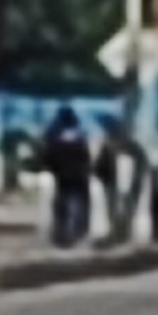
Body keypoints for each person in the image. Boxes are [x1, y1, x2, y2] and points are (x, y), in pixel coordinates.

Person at [40, 104, 96, 254]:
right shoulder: (80, 134)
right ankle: (80, 230)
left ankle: (61, 233)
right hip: (80, 175)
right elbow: (86, 157)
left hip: (62, 175)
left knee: (61, 204)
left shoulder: (54, 133)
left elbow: (47, 155)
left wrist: (52, 168)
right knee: (83, 203)